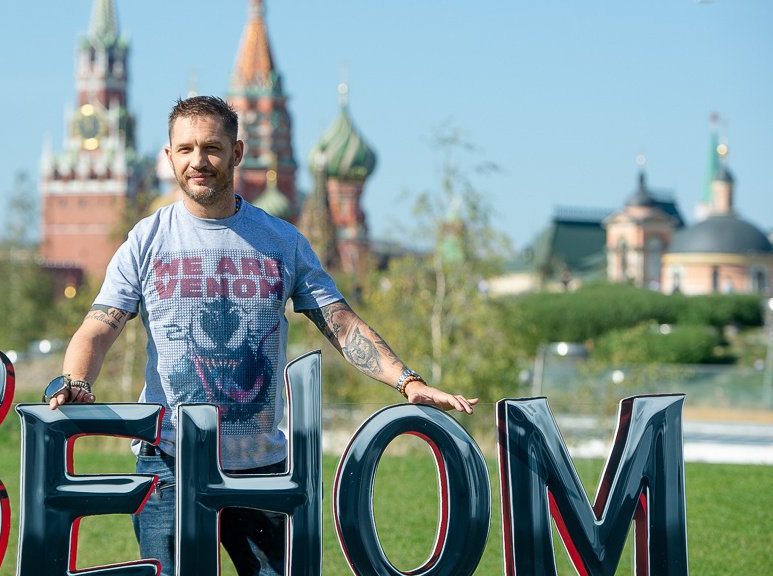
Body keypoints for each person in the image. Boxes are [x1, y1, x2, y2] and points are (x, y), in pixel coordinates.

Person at [47, 95, 478, 575]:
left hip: (263, 469)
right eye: (185, 149)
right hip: (169, 463)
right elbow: (98, 327)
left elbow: (340, 323)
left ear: (237, 152)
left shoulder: (282, 241)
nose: (198, 161)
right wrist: (76, 380)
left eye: (211, 147)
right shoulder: (147, 241)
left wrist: (407, 381)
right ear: (168, 158)